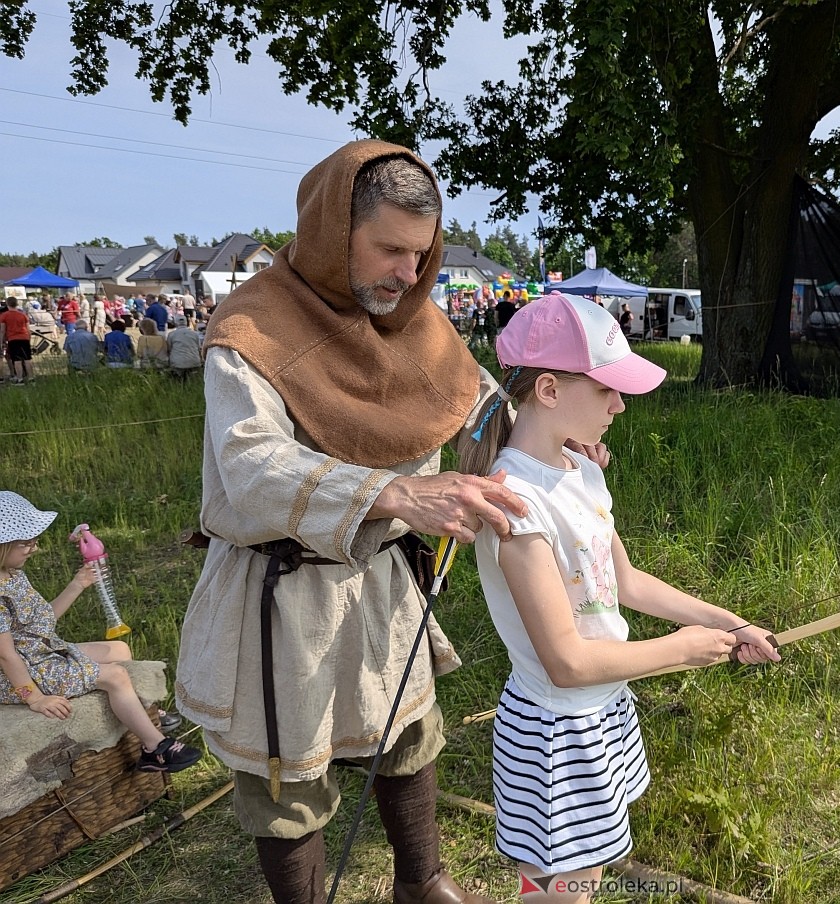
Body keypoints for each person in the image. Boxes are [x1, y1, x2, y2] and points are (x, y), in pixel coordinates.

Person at [176, 140, 546, 904]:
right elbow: (249, 465)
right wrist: (399, 495)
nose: (409, 275)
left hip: (381, 577)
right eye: (390, 250)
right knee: (289, 771)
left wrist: (551, 436)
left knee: (408, 731)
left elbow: (475, 410)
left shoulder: (413, 317)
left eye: (421, 254)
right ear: (332, 228)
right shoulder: (250, 329)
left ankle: (422, 882)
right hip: (284, 594)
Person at [460, 292, 780, 901]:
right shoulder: (516, 504)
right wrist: (682, 651)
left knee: (578, 870)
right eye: (607, 389)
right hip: (559, 729)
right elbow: (567, 661)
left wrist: (730, 623)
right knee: (568, 884)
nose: (621, 404)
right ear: (549, 391)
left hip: (602, 708)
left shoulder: (583, 472)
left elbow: (625, 583)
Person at [0, 492, 202, 772]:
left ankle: (141, 712)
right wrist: (34, 698)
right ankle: (154, 748)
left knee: (119, 650)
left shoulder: (12, 572)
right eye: (25, 543)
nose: (34, 549)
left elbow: (41, 623)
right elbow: (6, 656)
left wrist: (78, 583)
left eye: (34, 541)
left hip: (41, 652)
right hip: (26, 671)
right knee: (115, 675)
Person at [0, 297, 33, 384]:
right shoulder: (23, 315)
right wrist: (29, 338)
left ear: (7, 304)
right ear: (17, 304)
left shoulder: (4, 315)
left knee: (17, 360)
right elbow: (28, 329)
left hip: (13, 339)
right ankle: (31, 378)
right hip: (24, 337)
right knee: (27, 359)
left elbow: (2, 330)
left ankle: (19, 379)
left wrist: (1, 341)